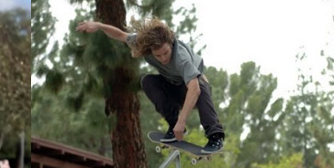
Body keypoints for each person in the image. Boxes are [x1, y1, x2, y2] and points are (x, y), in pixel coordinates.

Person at [76, 18, 225, 153]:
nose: (163, 58)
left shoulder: (181, 58)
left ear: (171, 45)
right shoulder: (144, 44)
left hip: (195, 92)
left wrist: (182, 120)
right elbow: (121, 35)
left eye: (166, 53)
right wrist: (100, 25)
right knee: (147, 80)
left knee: (199, 82)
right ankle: (172, 125)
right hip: (174, 87)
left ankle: (215, 136)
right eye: (158, 55)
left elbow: (194, 89)